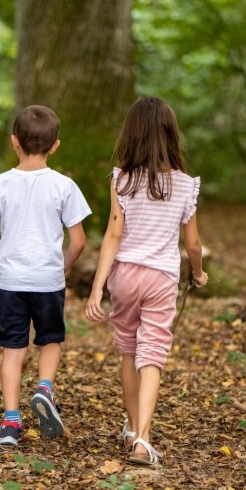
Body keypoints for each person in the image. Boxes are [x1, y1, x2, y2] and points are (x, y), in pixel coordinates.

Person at [84, 96, 207, 465]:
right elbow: (194, 244)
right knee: (152, 353)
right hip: (162, 278)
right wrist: (198, 274)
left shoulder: (121, 178)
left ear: (131, 134)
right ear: (171, 135)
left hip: (124, 277)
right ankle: (143, 439)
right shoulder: (185, 185)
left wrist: (96, 287)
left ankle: (132, 426)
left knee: (127, 351)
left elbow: (112, 236)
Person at [0, 105, 92, 446]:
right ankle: (44, 389)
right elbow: (79, 240)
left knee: (13, 349)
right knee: (50, 339)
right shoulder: (64, 186)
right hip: (48, 280)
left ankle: (10, 424)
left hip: (11, 281)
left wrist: (2, 260)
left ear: (14, 142)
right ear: (55, 145)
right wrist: (63, 265)